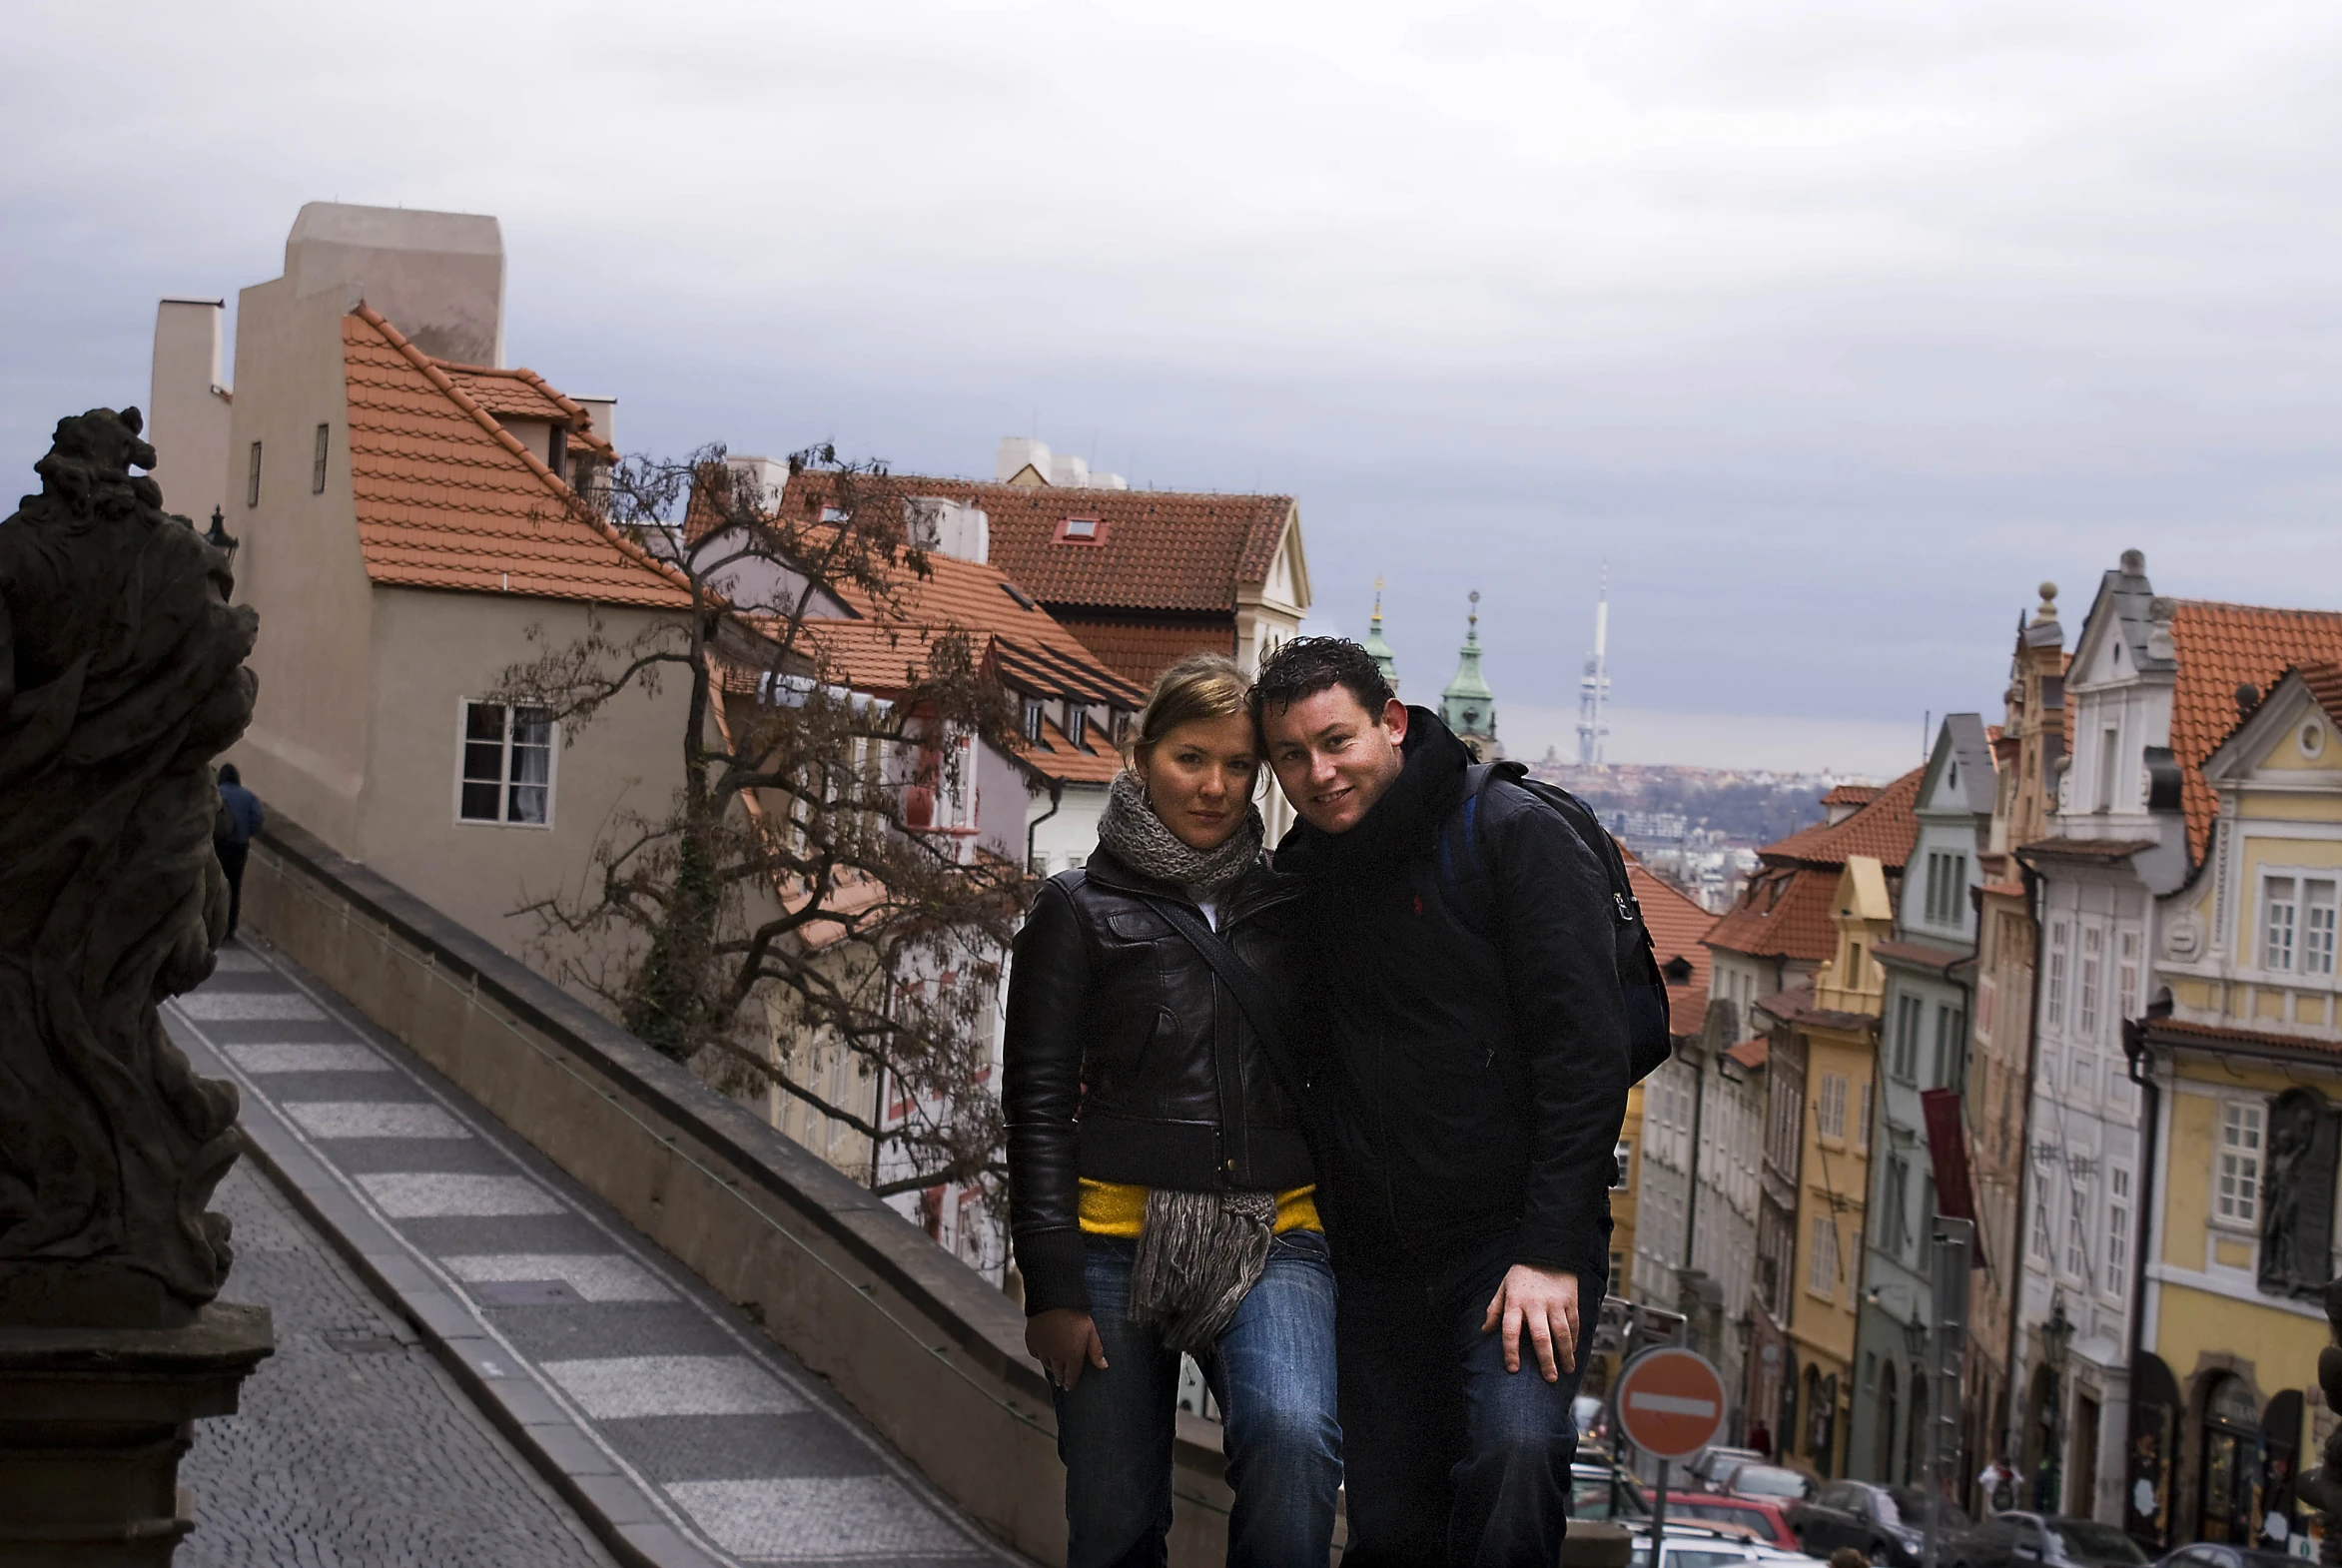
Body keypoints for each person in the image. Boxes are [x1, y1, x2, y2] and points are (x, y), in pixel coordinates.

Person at [1253, 636, 1631, 1566]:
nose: (1320, 772)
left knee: (1515, 1456)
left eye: (1336, 741)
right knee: (1390, 1525)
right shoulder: (1303, 874)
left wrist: (1549, 1252)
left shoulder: (1505, 832)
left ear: (1390, 723)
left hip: (1513, 1247)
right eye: (1292, 757)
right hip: (1376, 1259)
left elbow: (1586, 1058)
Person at [1004, 653, 1340, 1568]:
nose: (1215, 787)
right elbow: (1033, 1106)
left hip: (1276, 1230)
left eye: (1238, 767)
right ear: (1142, 755)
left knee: (1296, 1441)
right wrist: (1052, 1282)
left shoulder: (1295, 905)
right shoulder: (1075, 909)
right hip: (1110, 1240)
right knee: (1113, 1521)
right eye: (1192, 759)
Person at [214, 763, 263, 939]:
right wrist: (245, 833)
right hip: (239, 848)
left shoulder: (217, 793)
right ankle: (230, 927)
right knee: (234, 887)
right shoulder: (248, 796)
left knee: (216, 886)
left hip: (219, 846)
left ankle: (215, 926)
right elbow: (257, 819)